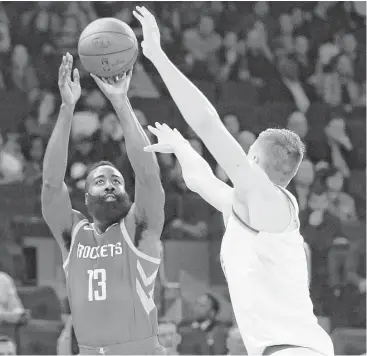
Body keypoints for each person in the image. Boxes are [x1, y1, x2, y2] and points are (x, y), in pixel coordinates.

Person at [134, 6, 334, 356]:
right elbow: (201, 180)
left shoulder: (267, 199)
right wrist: (181, 147)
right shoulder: (246, 207)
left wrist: (158, 56)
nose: (240, 155)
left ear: (253, 159)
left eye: (246, 150)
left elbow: (208, 123)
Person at [41, 53, 165, 355]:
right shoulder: (73, 233)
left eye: (117, 181)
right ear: (85, 200)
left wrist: (121, 103)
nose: (110, 183)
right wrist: (67, 108)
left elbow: (148, 176)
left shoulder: (138, 227)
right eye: (99, 181)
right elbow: (50, 184)